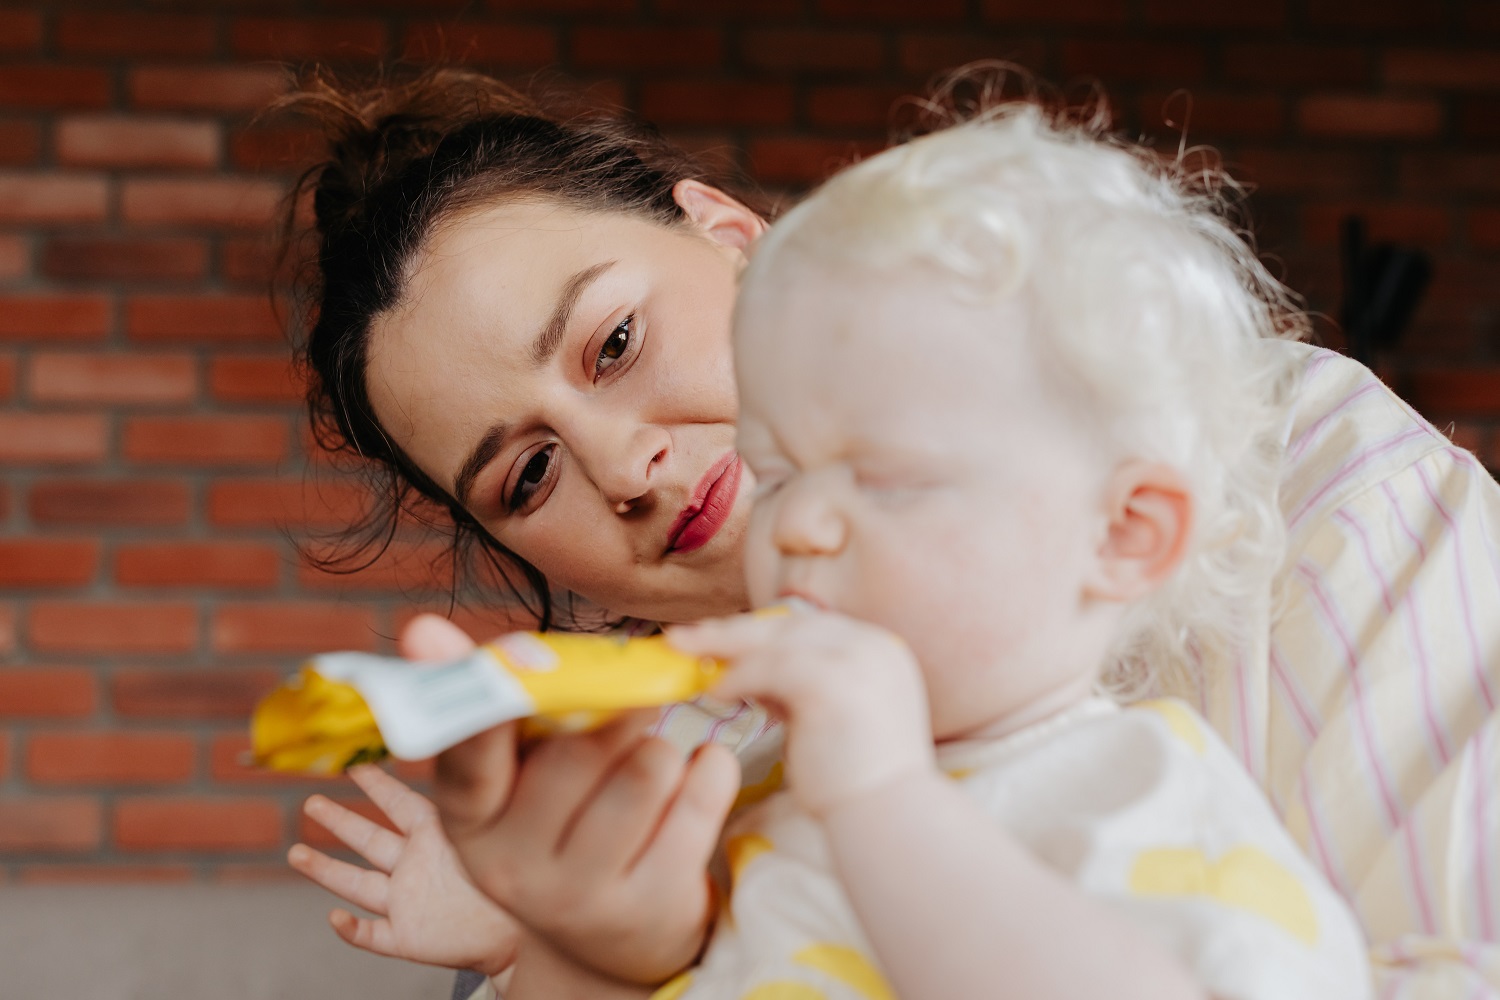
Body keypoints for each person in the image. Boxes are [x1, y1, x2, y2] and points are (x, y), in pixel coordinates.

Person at [275, 67, 1500, 998]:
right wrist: (583, 955)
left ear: (733, 237)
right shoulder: (625, 796)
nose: (625, 464)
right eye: (530, 474)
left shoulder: (1284, 461)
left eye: (615, 343)